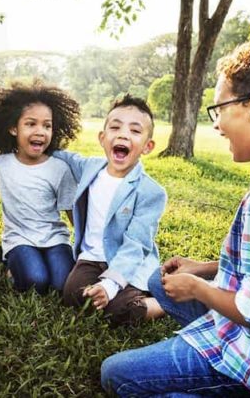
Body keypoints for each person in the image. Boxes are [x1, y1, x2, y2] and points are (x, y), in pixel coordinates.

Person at [101, 34, 250, 397]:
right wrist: (203, 268)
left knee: (116, 375)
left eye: (220, 109)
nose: (216, 125)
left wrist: (196, 287)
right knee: (158, 281)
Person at [54, 94, 166, 325]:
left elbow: (136, 245)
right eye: (115, 127)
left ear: (147, 146)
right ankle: (114, 294)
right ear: (103, 138)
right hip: (92, 258)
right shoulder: (90, 167)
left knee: (118, 309)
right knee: (72, 295)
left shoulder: (151, 192)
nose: (123, 134)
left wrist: (109, 285)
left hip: (128, 261)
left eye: (135, 131)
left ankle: (161, 302)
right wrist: (35, 145)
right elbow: (64, 156)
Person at [0, 81, 80, 294]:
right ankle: (11, 263)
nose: (41, 131)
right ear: (13, 128)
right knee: (35, 281)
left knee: (61, 284)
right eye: (31, 124)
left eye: (47, 125)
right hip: (19, 238)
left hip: (55, 237)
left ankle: (15, 260)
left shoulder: (60, 168)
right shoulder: (1, 164)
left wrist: (86, 245)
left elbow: (70, 209)